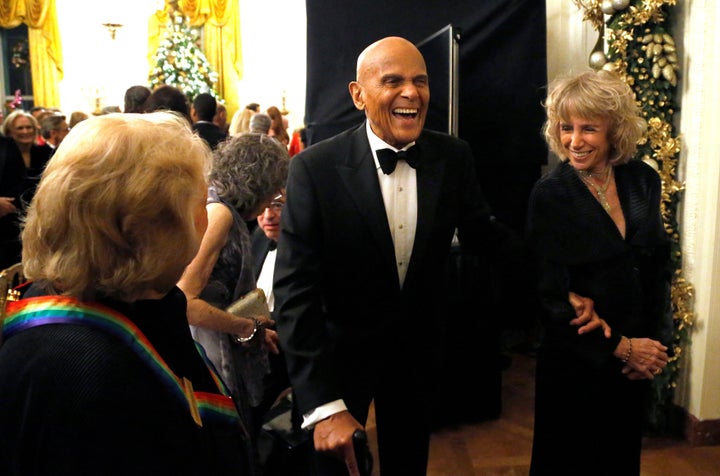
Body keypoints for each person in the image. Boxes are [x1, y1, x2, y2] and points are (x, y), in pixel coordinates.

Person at [273, 36, 518, 476]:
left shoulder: (453, 157)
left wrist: (561, 285)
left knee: (409, 464)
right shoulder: (314, 168)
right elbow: (295, 292)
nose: (411, 93)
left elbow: (489, 240)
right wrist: (323, 406)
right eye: (393, 81)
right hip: (339, 355)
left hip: (417, 352)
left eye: (420, 81)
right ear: (358, 94)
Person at [0, 111, 251, 475]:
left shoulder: (125, 306)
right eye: (199, 205)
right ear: (152, 232)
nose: (206, 219)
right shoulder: (91, 374)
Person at [527, 69, 673, 475]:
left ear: (615, 130)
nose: (574, 141)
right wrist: (620, 347)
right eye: (566, 128)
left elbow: (658, 266)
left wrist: (654, 347)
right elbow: (549, 296)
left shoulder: (643, 180)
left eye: (588, 128)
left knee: (619, 461)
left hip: (633, 364)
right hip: (577, 362)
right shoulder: (550, 195)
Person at [177, 132, 289, 469]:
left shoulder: (222, 208)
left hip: (220, 351)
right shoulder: (221, 215)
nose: (276, 196)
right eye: (275, 188)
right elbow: (185, 300)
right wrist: (246, 325)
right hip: (215, 358)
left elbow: (221, 290)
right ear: (260, 183)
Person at [0, 111, 52, 269]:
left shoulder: (45, 152)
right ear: (10, 131)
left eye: (29, 127)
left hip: (38, 216)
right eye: (20, 128)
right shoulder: (6, 149)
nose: (25, 131)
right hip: (7, 217)